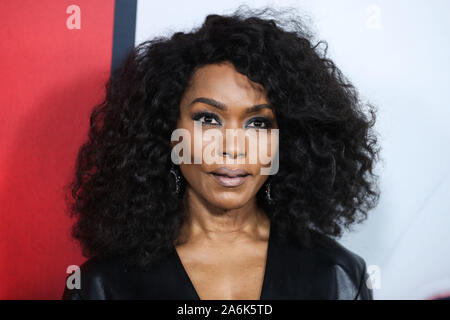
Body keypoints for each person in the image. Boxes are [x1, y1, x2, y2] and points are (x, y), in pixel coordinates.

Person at [62, 5, 379, 300]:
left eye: (258, 123)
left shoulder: (338, 276)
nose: (232, 147)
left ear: (288, 140)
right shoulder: (103, 285)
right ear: (167, 131)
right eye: (207, 119)